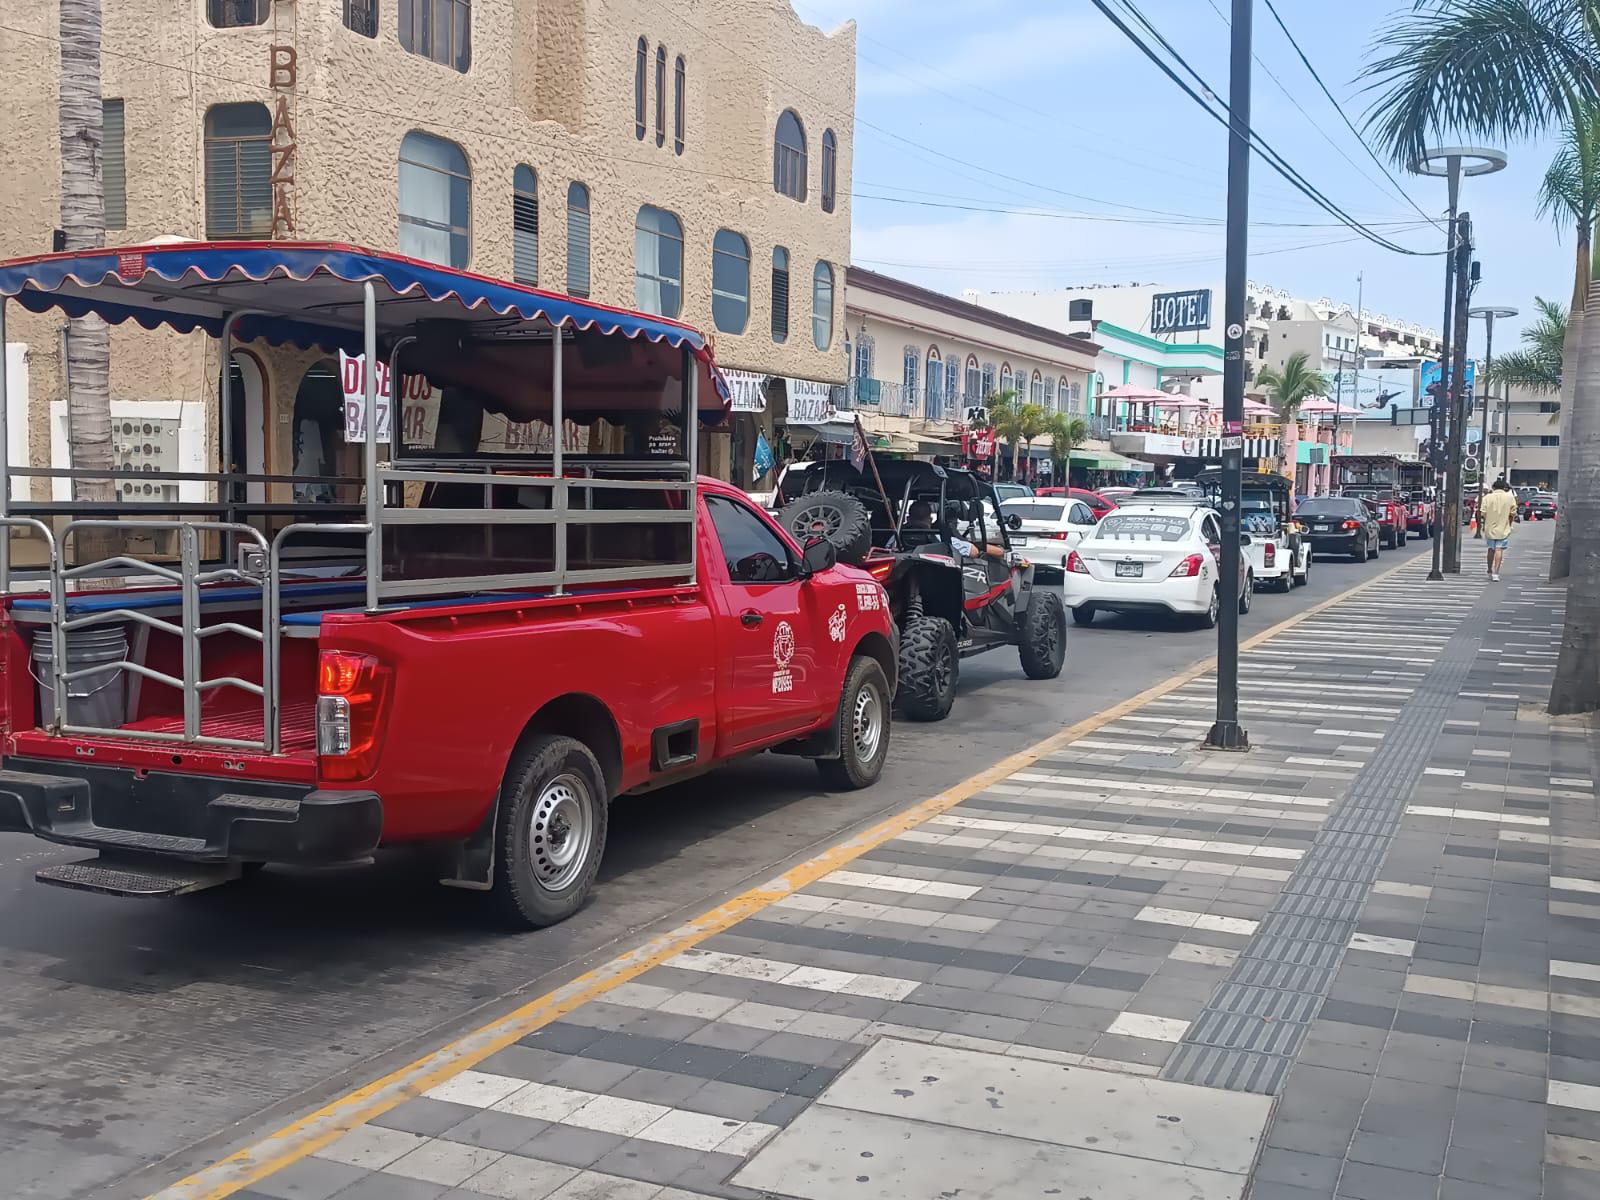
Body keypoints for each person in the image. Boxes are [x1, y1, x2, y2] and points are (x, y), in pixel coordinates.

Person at [1478, 477, 1517, 581]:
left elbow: (1482, 512)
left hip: (1490, 527)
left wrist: (1484, 523)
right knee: (1499, 549)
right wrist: (1509, 523)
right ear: (1504, 488)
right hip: (1503, 527)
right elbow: (1513, 513)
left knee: (1491, 549)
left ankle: (1489, 569)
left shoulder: (1487, 497)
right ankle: (1496, 573)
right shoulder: (1510, 498)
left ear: (1493, 487)